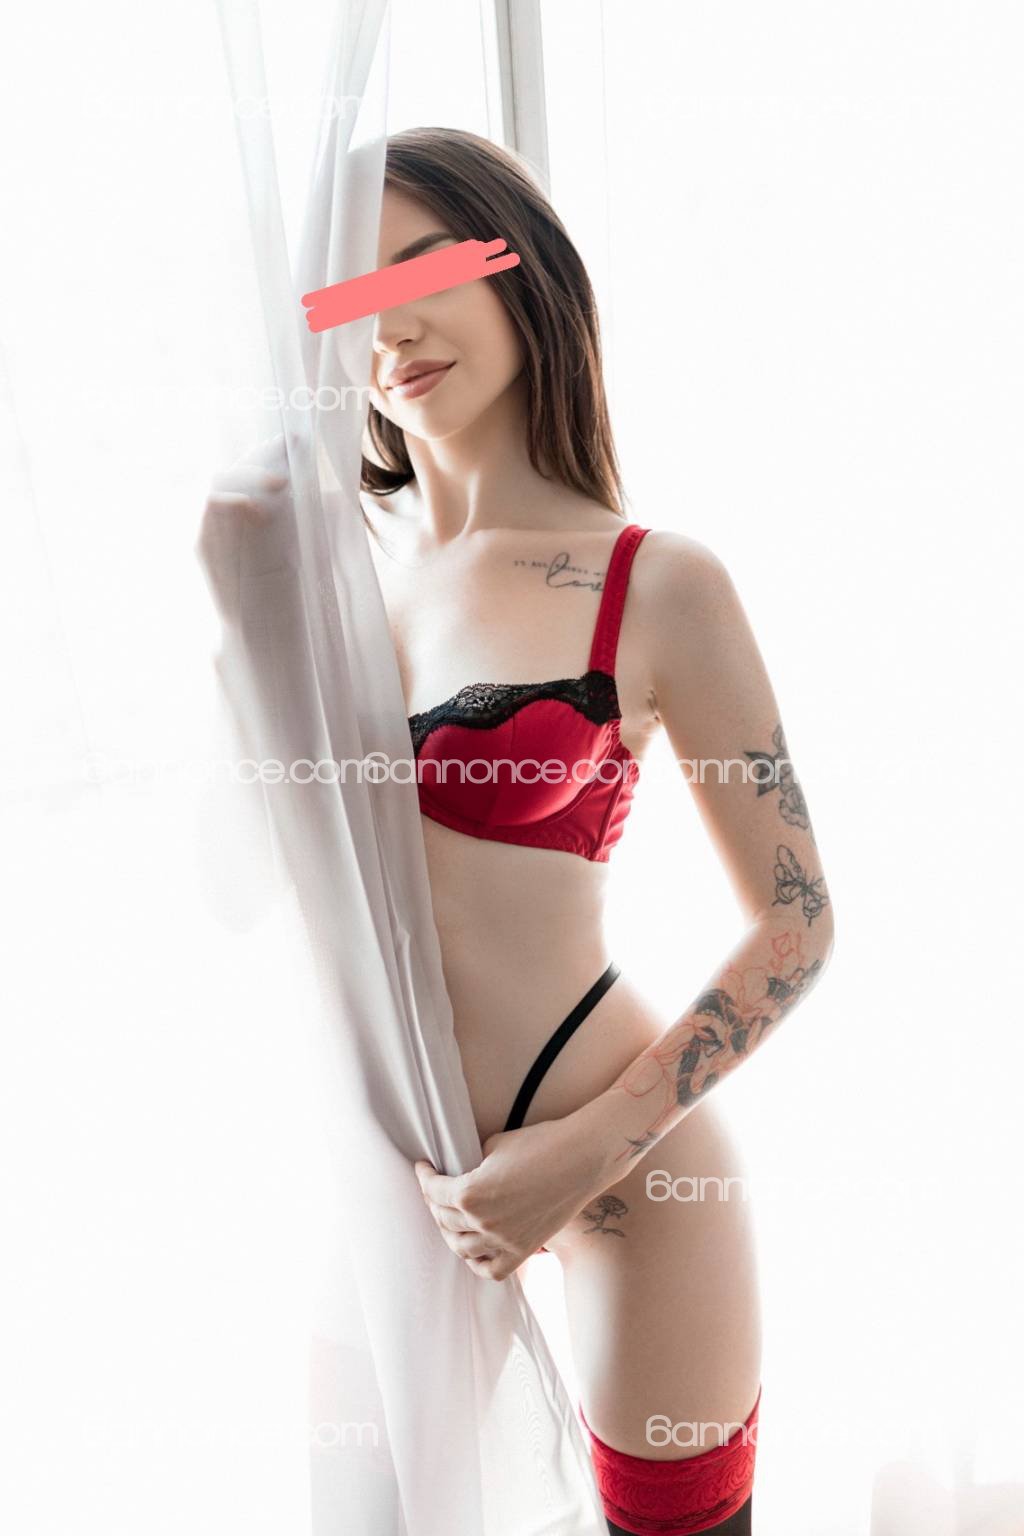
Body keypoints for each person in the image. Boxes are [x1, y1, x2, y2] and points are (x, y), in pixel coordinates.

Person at [202, 126, 836, 1536]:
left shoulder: (654, 583)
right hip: (399, 1182)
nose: (389, 327)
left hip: (630, 1173)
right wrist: (240, 621)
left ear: (521, 268)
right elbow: (235, 892)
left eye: (419, 270)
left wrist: (587, 1151)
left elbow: (798, 924)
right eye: (347, 302)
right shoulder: (338, 592)